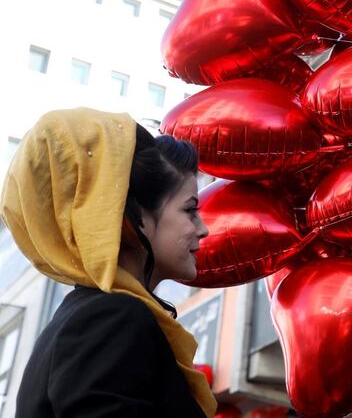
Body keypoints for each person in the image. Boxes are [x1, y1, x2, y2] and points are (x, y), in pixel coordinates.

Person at [1, 108, 217, 417]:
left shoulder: (88, 315)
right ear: (137, 215)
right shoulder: (112, 318)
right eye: (190, 210)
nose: (202, 228)